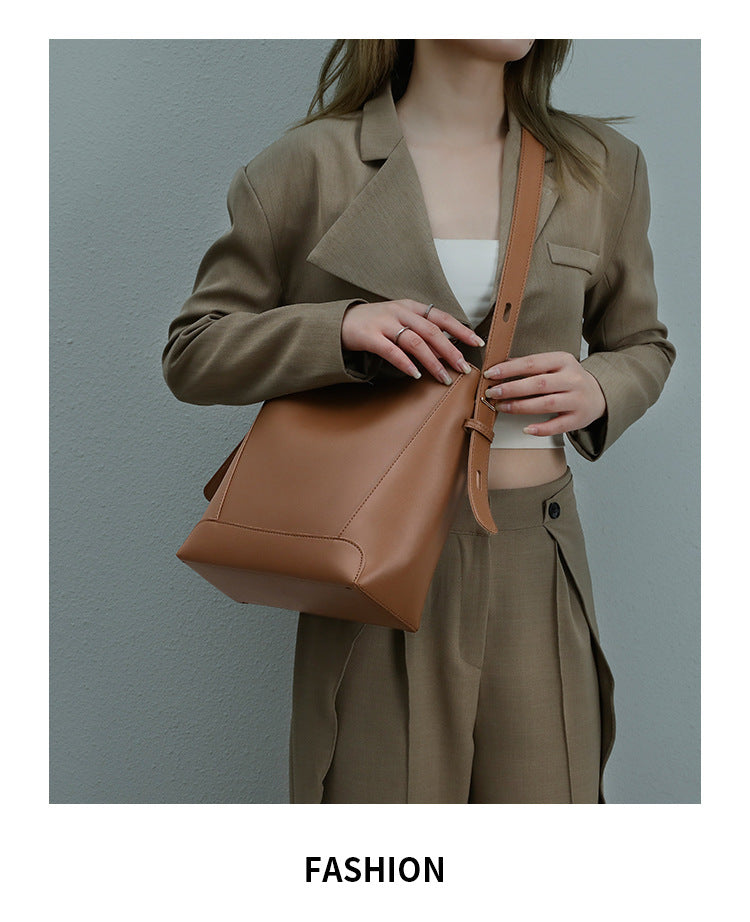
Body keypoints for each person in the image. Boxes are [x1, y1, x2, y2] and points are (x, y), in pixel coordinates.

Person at [162, 39, 676, 803]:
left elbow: (643, 345)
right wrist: (340, 329)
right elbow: (194, 351)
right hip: (373, 555)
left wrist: (600, 387)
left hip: (536, 549)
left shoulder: (600, 166)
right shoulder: (308, 165)